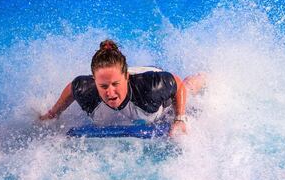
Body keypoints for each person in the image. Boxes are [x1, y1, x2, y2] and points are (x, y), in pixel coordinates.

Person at [39, 40, 205, 136]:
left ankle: (207, 76)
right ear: (94, 80)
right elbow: (72, 89)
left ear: (126, 78)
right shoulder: (85, 89)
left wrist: (179, 118)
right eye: (103, 86)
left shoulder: (152, 87)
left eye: (115, 85)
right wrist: (53, 114)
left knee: (188, 87)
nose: (110, 92)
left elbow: (177, 84)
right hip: (121, 74)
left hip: (150, 78)